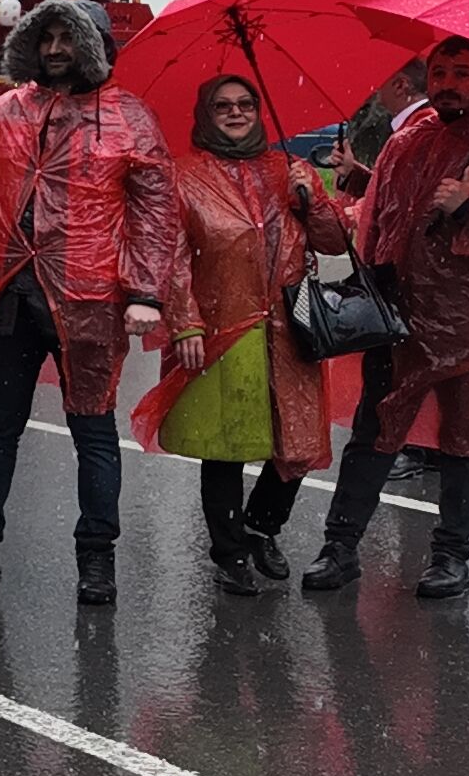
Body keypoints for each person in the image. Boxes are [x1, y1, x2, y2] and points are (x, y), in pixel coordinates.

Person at [0, 0, 183, 606]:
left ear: (95, 45)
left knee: (93, 432)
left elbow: (157, 214)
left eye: (67, 37)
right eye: (44, 37)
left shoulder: (130, 118)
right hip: (6, 295)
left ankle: (97, 558)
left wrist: (147, 292)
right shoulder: (5, 111)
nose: (54, 49)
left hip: (90, 299)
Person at [300, 37, 469, 599]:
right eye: (439, 71)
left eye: (461, 72)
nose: (447, 82)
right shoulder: (410, 138)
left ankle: (451, 557)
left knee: (466, 442)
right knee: (374, 436)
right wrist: (366, 276)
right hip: (401, 316)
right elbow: (385, 216)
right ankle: (340, 546)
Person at [140, 74, 352, 592]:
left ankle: (262, 529)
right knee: (227, 446)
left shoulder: (290, 170)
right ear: (205, 115)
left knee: (296, 441)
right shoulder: (185, 176)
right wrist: (185, 321)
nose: (236, 114)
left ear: (259, 113)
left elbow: (332, 240)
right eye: (222, 106)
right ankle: (230, 551)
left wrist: (313, 201)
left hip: (291, 326)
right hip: (223, 327)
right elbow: (171, 255)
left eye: (245, 105)